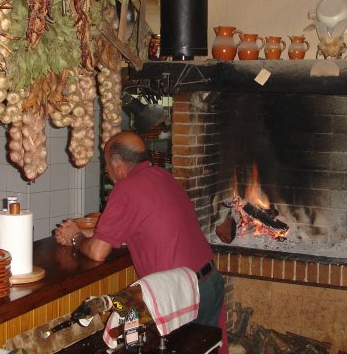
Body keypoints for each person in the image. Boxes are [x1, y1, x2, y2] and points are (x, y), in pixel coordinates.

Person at [54, 130, 228, 352]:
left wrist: (76, 238)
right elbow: (137, 226)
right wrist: (80, 233)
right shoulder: (163, 176)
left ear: (117, 163)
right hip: (209, 281)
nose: (106, 171)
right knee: (208, 349)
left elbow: (98, 252)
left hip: (182, 293)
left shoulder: (126, 188)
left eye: (106, 163)